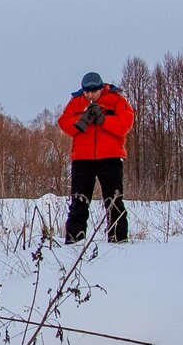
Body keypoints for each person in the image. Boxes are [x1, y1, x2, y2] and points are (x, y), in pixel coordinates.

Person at [58, 71, 136, 243]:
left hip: (110, 157)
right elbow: (64, 123)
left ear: (101, 88)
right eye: (86, 92)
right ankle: (74, 239)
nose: (90, 95)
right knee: (79, 200)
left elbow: (125, 124)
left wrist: (104, 120)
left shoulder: (116, 100)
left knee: (113, 199)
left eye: (93, 91)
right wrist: (82, 119)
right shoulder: (76, 102)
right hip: (82, 158)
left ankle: (118, 239)